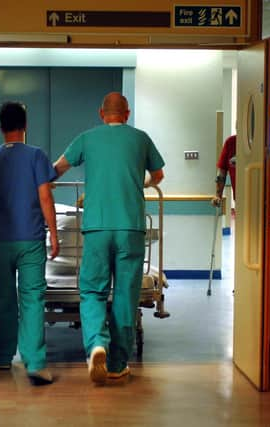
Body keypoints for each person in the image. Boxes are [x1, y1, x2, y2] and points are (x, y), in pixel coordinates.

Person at [53, 92, 165, 385]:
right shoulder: (141, 138)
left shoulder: (87, 138)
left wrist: (34, 180)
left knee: (92, 291)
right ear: (127, 114)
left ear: (101, 113)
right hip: (130, 227)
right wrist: (140, 182)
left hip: (98, 227)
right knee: (126, 297)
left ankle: (96, 345)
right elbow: (159, 174)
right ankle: (117, 365)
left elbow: (57, 168)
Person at [0, 101, 59, 386]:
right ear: (25, 126)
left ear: (1, 127)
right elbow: (45, 198)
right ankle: (35, 363)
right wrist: (54, 233)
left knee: (5, 297)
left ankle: (3, 357)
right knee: (32, 298)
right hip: (30, 240)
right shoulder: (37, 156)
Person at [212, 134, 236, 206]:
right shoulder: (231, 142)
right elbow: (222, 171)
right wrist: (218, 195)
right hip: (239, 197)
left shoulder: (262, 141)